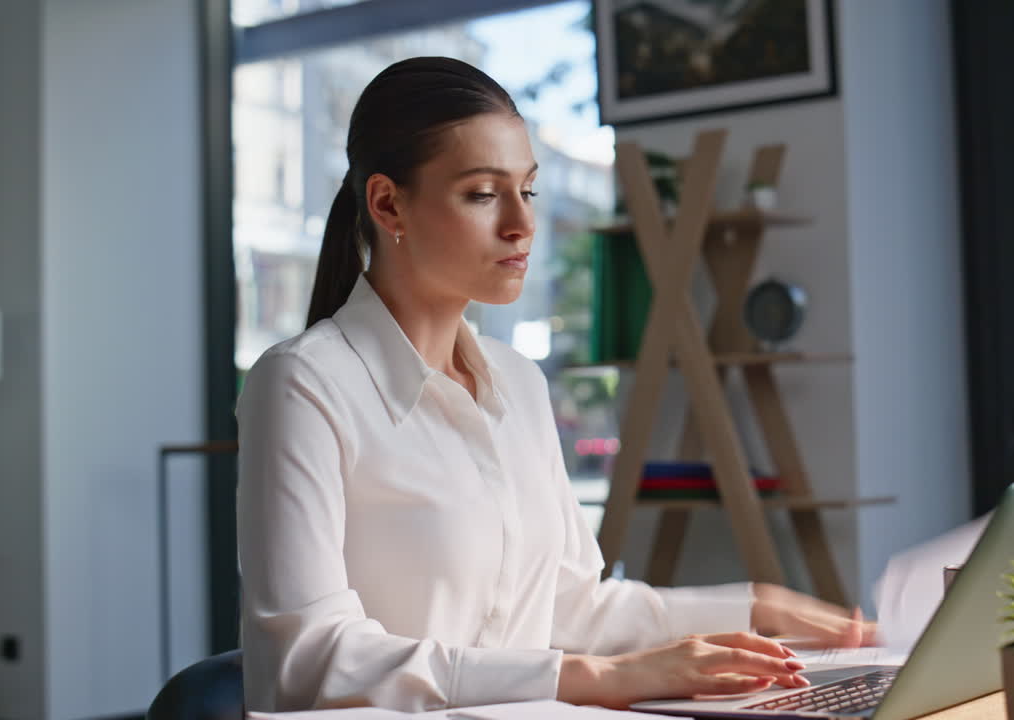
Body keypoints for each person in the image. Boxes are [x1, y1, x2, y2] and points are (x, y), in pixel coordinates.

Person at [236, 56, 873, 714]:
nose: (523, 223)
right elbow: (309, 659)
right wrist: (594, 679)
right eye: (484, 193)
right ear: (388, 202)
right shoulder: (303, 385)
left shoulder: (517, 383)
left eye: (529, 190)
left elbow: (574, 608)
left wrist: (760, 608)